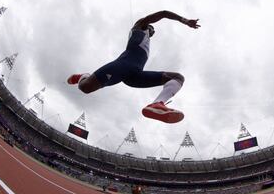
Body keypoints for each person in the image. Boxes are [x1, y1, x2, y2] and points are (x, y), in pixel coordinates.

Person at [67, 10, 200, 123]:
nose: (153, 31)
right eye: (151, 28)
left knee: (178, 77)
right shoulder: (139, 26)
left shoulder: (147, 40)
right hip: (123, 65)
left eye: (153, 31)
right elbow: (164, 13)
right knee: (85, 87)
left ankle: (157, 104)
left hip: (135, 75)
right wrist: (185, 20)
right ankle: (84, 76)